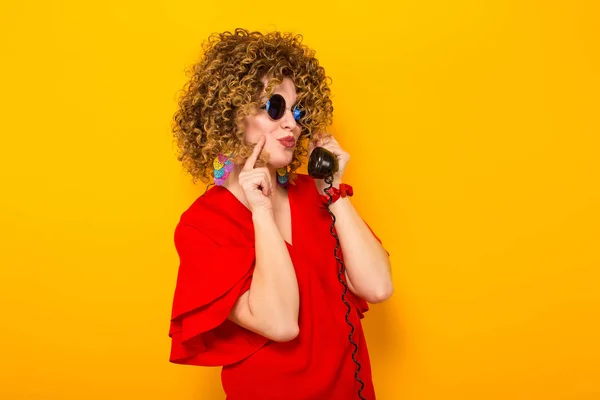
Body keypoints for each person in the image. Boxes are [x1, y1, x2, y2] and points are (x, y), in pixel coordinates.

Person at [168, 28, 393, 400]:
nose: (292, 123)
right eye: (275, 107)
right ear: (231, 115)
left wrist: (333, 189)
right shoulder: (202, 225)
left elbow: (378, 287)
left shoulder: (318, 195)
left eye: (297, 110)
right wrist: (261, 213)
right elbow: (280, 322)